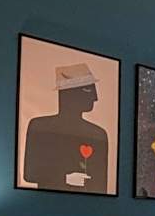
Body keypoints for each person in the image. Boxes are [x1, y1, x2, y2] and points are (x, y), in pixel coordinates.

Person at [23, 63, 108, 193]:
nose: (95, 98)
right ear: (68, 93)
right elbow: (30, 173)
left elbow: (101, 184)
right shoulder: (40, 126)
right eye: (87, 89)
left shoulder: (98, 134)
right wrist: (64, 177)